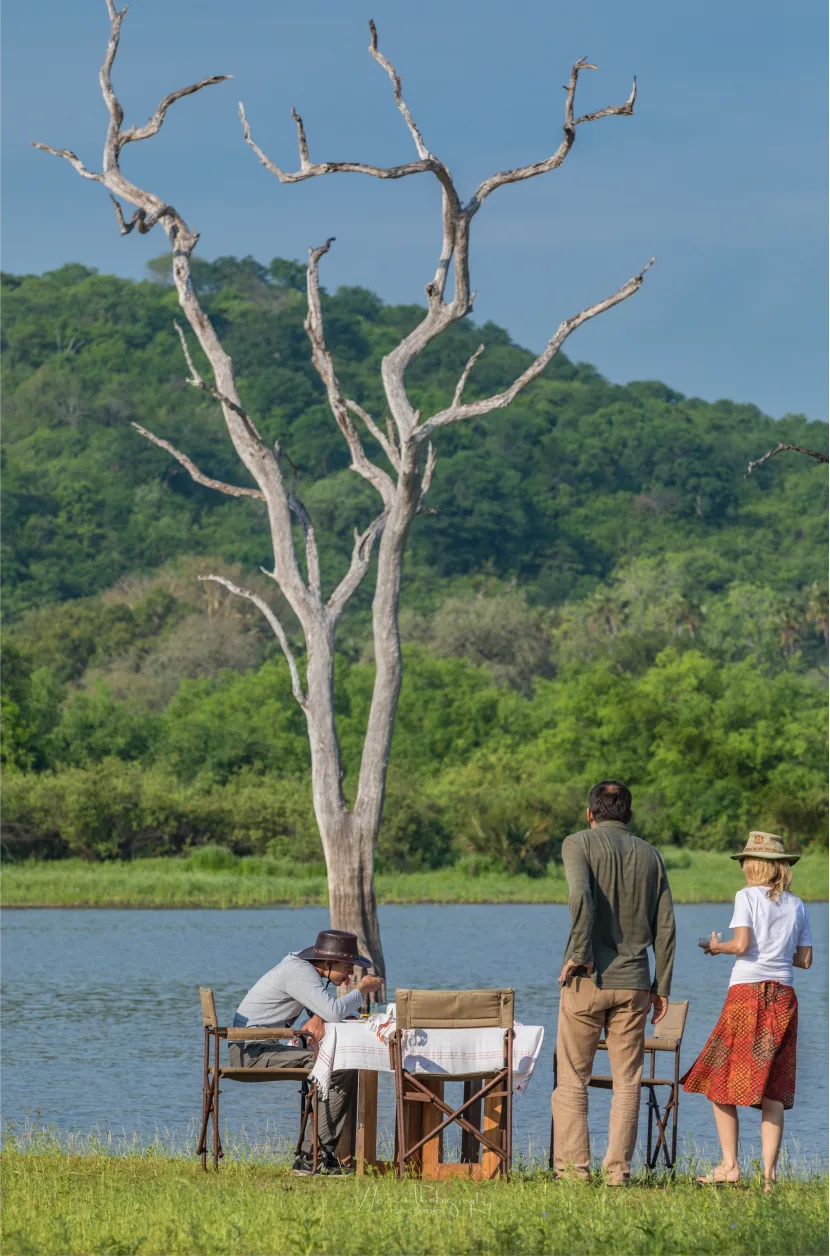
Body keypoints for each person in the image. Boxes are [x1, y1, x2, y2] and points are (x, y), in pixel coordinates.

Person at [552, 780, 676, 1185]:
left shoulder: (578, 844)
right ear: (629, 816)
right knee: (628, 1081)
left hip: (586, 979)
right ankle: (617, 1173)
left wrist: (579, 953)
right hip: (636, 982)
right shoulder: (652, 856)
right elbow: (666, 927)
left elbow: (580, 898)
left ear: (590, 814)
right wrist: (662, 986)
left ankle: (574, 1173)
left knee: (572, 1076)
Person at [681, 831, 812, 1190]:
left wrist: (714, 946)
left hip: (747, 994)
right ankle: (768, 1178)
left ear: (754, 865)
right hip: (784, 996)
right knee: (773, 1090)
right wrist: (777, 950)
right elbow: (805, 960)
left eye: (744, 862)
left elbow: (741, 944)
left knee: (718, 1080)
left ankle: (730, 1165)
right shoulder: (797, 904)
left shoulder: (747, 897)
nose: (742, 869)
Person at [230, 929, 383, 1175]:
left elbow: (322, 1009)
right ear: (329, 962)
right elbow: (333, 1011)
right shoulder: (299, 972)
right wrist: (362, 990)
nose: (351, 973)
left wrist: (317, 1015)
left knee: (333, 1064)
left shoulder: (300, 968)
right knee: (337, 1066)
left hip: (258, 1046)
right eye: (348, 966)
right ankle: (314, 1157)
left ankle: (314, 1155)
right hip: (252, 1051)